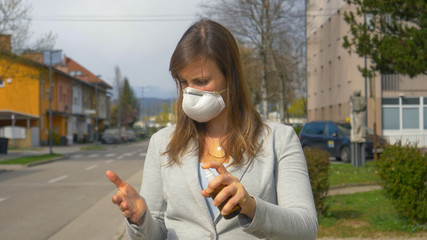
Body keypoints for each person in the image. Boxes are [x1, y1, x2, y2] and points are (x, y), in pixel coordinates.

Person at [106, 19, 317, 240]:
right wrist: (140, 219)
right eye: (183, 82)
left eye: (202, 81)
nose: (190, 92)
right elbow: (155, 232)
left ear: (231, 77)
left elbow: (306, 228)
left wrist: (251, 207)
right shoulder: (162, 143)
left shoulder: (279, 139)